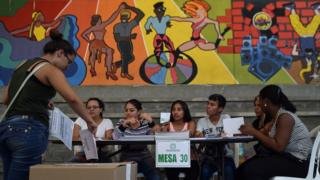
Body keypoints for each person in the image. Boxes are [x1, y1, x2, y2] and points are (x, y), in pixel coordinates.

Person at [0, 31, 97, 180]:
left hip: (7, 129)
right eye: (69, 62)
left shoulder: (21, 66)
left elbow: (6, 98)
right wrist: (90, 121)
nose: (67, 67)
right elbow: (72, 99)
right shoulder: (50, 69)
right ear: (59, 53)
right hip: (29, 129)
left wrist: (40, 100)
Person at [236, 85, 313, 180]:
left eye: (260, 100)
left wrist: (255, 132)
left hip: (298, 163)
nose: (258, 104)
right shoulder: (276, 117)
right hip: (287, 158)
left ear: (266, 102)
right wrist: (252, 132)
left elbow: (279, 147)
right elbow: (266, 137)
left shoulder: (285, 117)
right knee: (242, 169)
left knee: (250, 170)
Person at [113, 99, 161, 180]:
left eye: (131, 110)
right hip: (127, 155)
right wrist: (123, 126)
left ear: (139, 112)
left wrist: (151, 122)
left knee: (154, 175)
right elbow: (114, 138)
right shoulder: (121, 122)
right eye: (126, 110)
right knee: (125, 175)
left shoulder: (145, 123)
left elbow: (157, 135)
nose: (128, 112)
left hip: (144, 155)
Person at [195, 94, 236, 180]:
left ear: (220, 109)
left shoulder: (226, 118)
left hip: (225, 157)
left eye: (212, 104)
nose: (208, 106)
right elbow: (197, 134)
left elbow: (231, 133)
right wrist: (198, 134)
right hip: (208, 157)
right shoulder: (202, 121)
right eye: (208, 103)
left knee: (229, 171)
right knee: (204, 173)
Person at [82, 3, 125, 79]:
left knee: (109, 51)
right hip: (96, 42)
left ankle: (107, 70)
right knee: (96, 52)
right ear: (98, 20)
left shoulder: (100, 26)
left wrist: (119, 9)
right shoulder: (96, 27)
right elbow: (84, 34)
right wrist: (90, 41)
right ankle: (95, 68)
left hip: (101, 43)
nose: (101, 20)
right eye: (100, 19)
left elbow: (112, 18)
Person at [161, 100, 199, 180]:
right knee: (170, 172)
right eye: (173, 110)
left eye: (179, 109)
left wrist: (171, 135)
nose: (175, 112)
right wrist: (163, 130)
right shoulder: (168, 125)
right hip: (173, 158)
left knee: (194, 171)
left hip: (189, 158)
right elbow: (162, 138)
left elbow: (189, 133)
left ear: (185, 111)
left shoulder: (190, 123)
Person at [72, 97, 114, 162]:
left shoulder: (107, 122)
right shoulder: (80, 120)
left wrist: (91, 139)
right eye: (89, 108)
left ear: (101, 109)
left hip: (101, 153)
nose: (91, 109)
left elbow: (109, 139)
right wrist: (92, 138)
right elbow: (74, 138)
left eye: (95, 107)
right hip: (82, 154)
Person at [113, 3, 144, 80]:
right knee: (125, 57)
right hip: (121, 43)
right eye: (123, 16)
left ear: (129, 17)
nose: (124, 17)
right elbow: (117, 39)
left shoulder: (130, 24)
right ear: (120, 17)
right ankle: (124, 73)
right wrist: (130, 36)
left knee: (131, 58)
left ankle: (116, 64)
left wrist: (129, 7)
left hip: (128, 43)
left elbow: (141, 14)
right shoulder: (117, 26)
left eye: (126, 16)